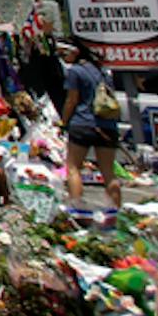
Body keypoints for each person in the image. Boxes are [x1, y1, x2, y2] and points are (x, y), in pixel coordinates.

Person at [60, 39, 122, 211]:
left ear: (77, 52)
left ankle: (76, 208)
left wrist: (64, 122)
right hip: (107, 125)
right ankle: (116, 211)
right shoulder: (104, 72)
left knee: (73, 168)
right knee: (108, 171)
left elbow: (72, 100)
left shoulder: (76, 72)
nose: (65, 56)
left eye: (67, 52)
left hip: (82, 123)